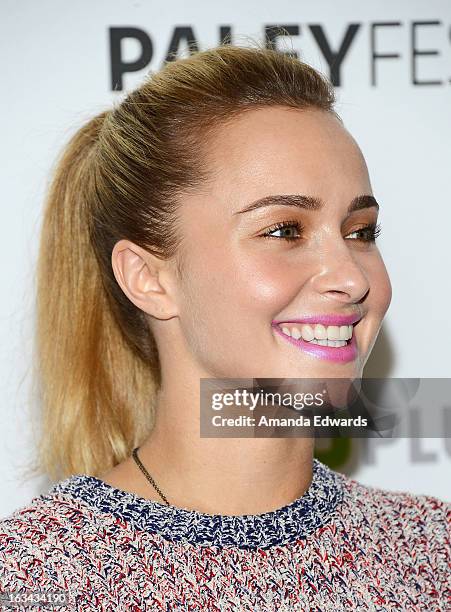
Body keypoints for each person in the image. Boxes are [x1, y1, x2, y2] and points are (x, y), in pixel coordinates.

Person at [0, 44, 449, 611]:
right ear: (148, 277)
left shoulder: (431, 550)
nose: (350, 278)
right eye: (285, 230)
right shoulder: (35, 579)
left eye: (360, 231)